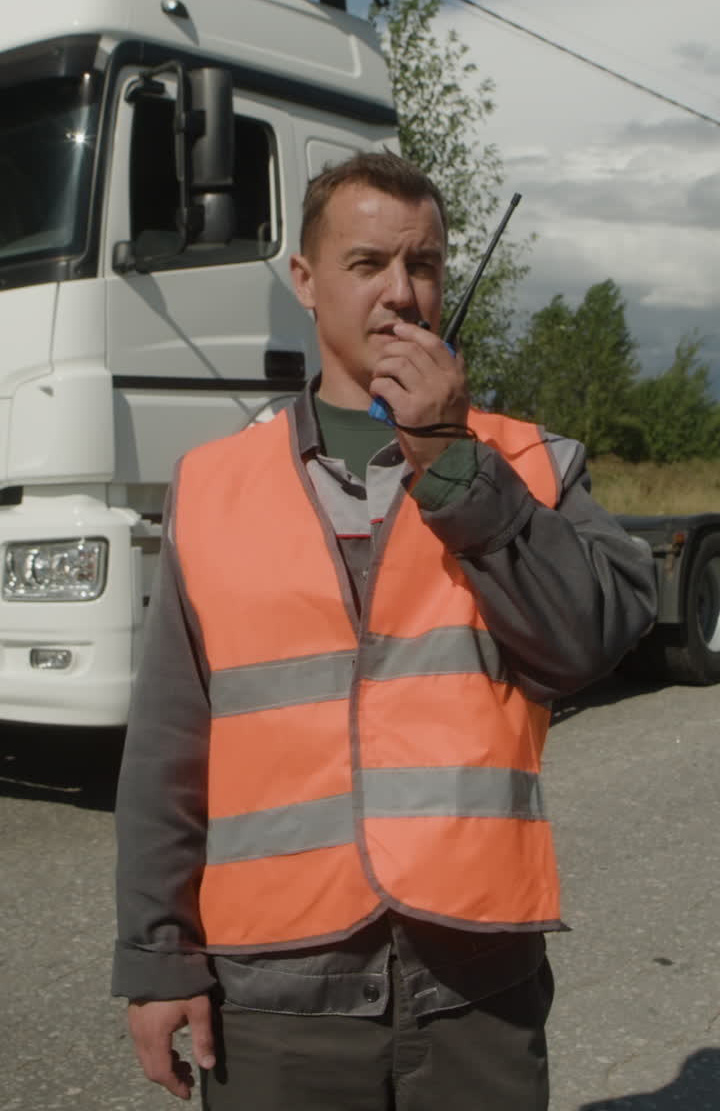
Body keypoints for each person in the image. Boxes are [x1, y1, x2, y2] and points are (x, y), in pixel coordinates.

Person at [113, 152, 657, 1110]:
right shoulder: (211, 486)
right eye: (367, 265)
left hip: (475, 988)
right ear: (305, 281)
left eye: (425, 265)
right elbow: (169, 745)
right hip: (277, 994)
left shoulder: (527, 462)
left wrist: (453, 462)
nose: (402, 295)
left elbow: (588, 641)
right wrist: (158, 958)